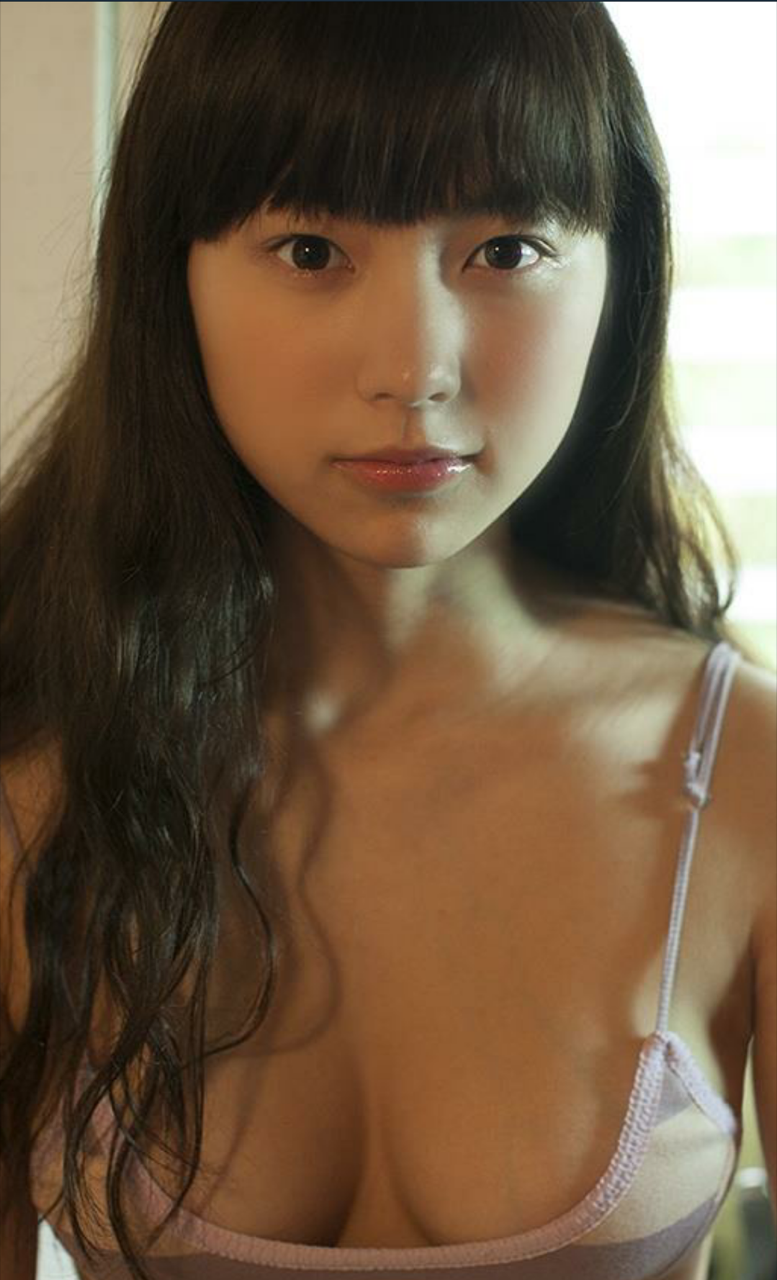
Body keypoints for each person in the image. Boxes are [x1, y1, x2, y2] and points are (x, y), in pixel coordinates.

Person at [1, 3, 774, 1279]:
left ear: (623, 272)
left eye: (507, 248)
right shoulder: (33, 767)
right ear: (168, 274)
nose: (413, 368)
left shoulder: (744, 772)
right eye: (310, 248)